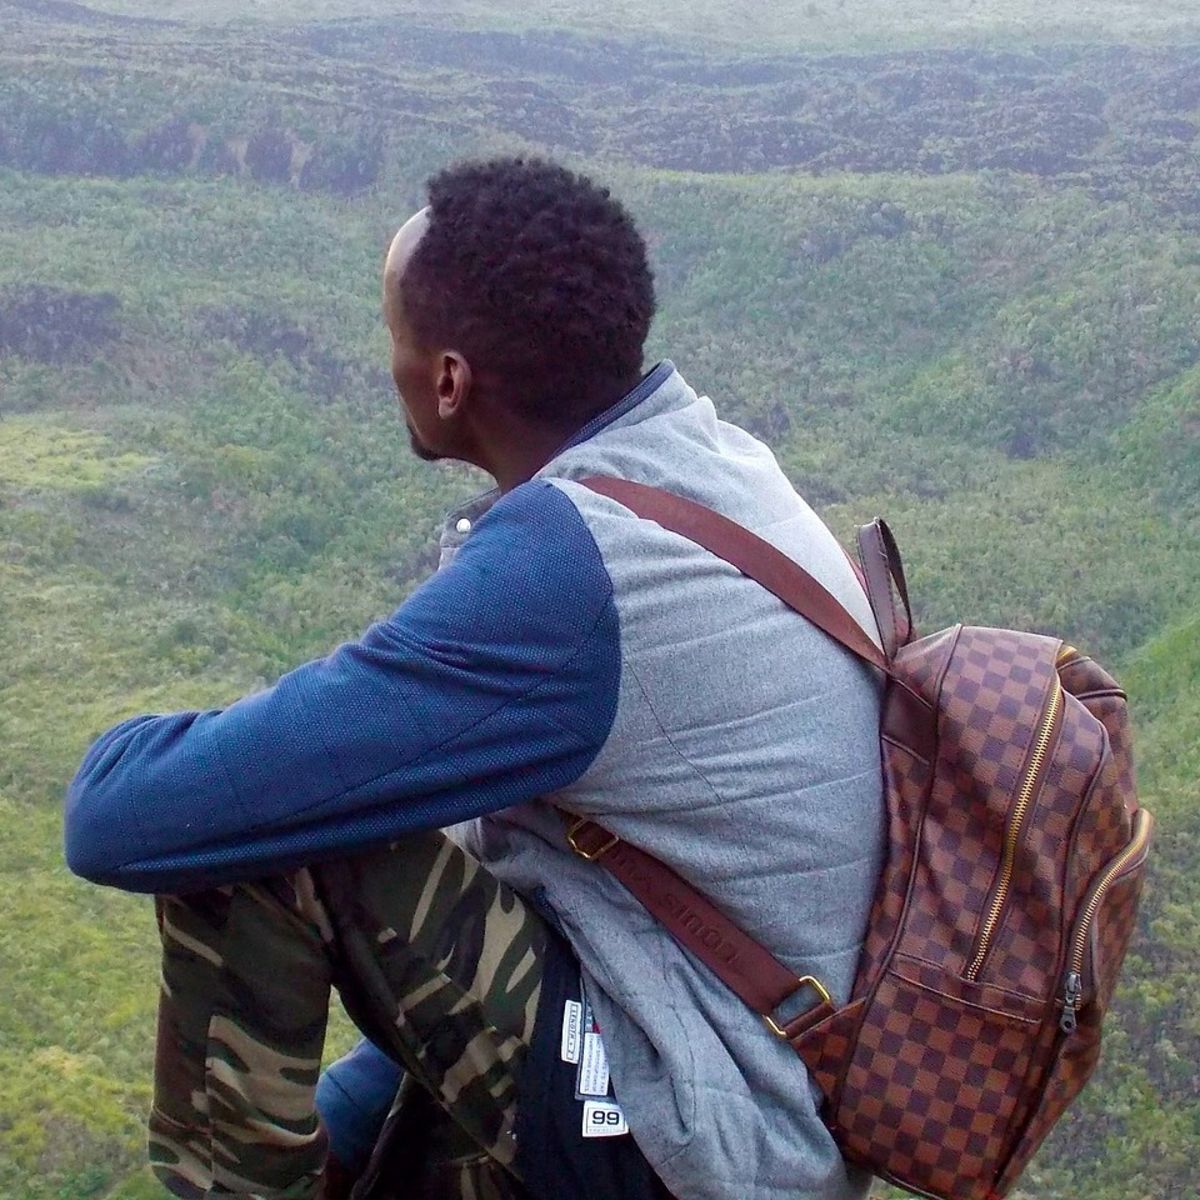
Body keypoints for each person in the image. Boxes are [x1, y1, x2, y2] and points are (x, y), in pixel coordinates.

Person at [65, 156, 885, 1200]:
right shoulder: (700, 461)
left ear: (449, 382)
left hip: (709, 1135)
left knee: (254, 843)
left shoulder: (567, 569)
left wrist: (126, 760)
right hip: (755, 1078)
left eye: (393, 336)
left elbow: (124, 820)